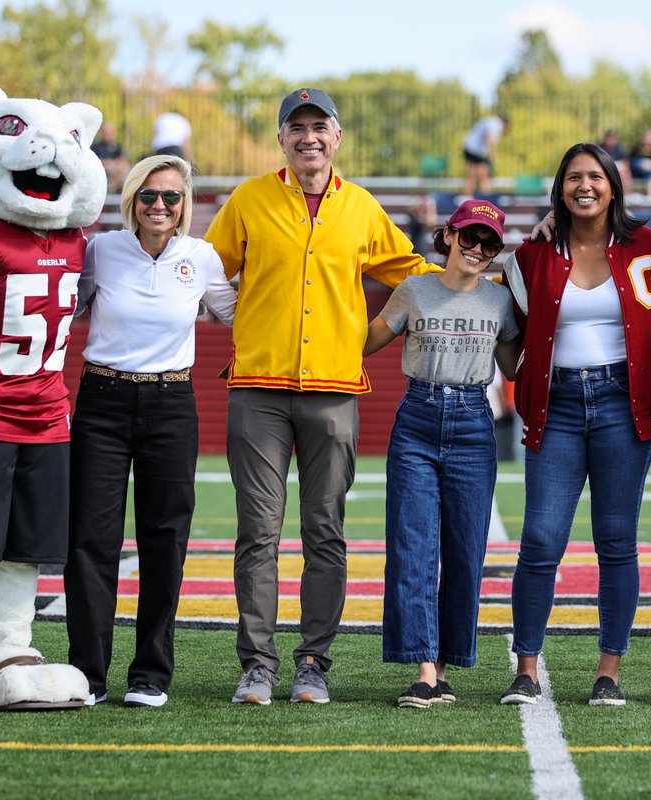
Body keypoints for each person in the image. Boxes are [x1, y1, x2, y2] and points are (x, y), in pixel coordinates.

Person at [204, 87, 437, 706]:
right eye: (296, 127)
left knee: (324, 531)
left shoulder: (361, 208)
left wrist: (477, 276)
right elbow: (204, 266)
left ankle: (312, 662)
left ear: (338, 137)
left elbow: (412, 272)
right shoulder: (249, 199)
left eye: (319, 127)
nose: (308, 137)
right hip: (256, 390)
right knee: (258, 532)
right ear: (281, 138)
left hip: (334, 390)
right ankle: (257, 664)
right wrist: (230, 310)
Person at [499, 143, 651, 706]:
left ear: (613, 184)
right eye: (574, 177)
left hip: (621, 407)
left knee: (616, 540)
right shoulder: (529, 257)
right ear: (559, 188)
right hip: (555, 407)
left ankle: (609, 671)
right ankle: (526, 668)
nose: (585, 185)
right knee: (540, 539)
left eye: (596, 176)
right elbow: (509, 336)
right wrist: (526, 381)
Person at [65, 154, 236, 709]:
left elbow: (241, 312)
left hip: (171, 404)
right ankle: (87, 674)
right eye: (149, 196)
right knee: (91, 540)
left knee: (165, 540)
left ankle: (150, 675)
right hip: (102, 402)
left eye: (171, 198)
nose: (159, 206)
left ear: (185, 206)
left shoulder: (202, 257)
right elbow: (64, 309)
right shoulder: (101, 251)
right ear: (131, 199)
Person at [364, 199, 519, 709]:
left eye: (489, 244)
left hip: (475, 424)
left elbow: (515, 368)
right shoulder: (414, 289)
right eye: (469, 238)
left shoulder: (498, 301)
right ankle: (425, 669)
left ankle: (446, 667)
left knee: (465, 551)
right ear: (449, 236)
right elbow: (367, 342)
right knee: (412, 545)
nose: (477, 249)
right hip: (417, 420)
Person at [462, 114, 508, 196]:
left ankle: (469, 196)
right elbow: (489, 137)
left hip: (471, 148)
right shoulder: (496, 124)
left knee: (476, 175)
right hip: (474, 150)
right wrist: (493, 154)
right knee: (481, 175)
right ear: (505, 124)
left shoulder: (491, 121)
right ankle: (486, 197)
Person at [91, 121, 129, 193]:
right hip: (100, 166)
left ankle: (111, 187)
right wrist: (104, 162)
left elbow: (121, 159)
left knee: (122, 167)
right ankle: (110, 189)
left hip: (113, 168)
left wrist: (113, 163)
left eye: (109, 132)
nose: (107, 134)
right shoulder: (96, 146)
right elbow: (92, 159)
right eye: (106, 132)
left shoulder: (117, 146)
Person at [600, 128, 632, 194]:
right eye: (609, 137)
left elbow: (625, 161)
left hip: (618, 168)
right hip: (604, 167)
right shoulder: (600, 147)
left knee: (624, 173)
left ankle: (625, 195)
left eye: (612, 138)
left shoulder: (619, 147)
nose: (610, 140)